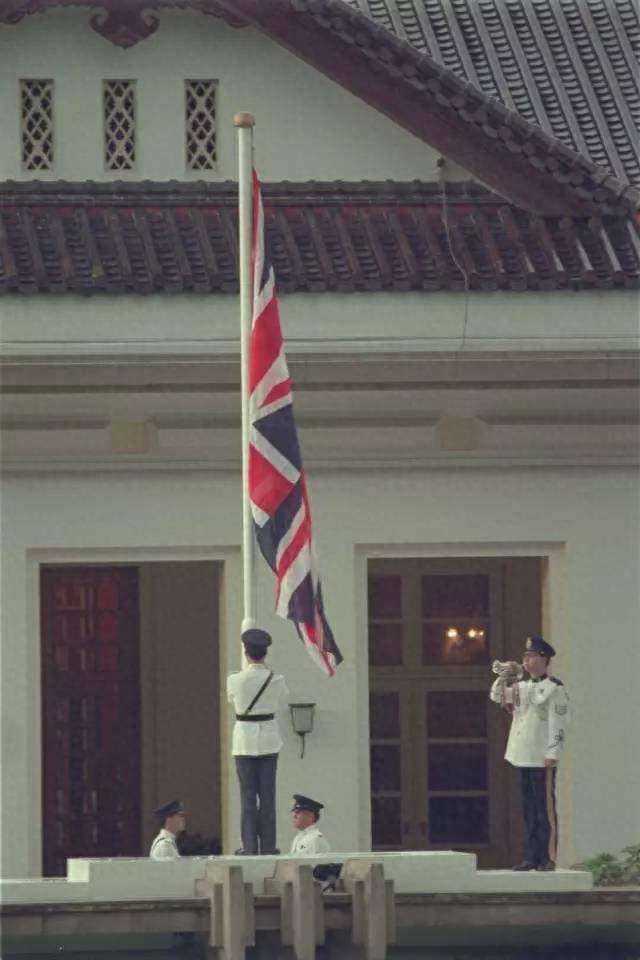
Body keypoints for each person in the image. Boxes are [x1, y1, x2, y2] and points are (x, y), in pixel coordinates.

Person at [490, 635, 570, 872]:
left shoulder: (554, 689)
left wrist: (553, 751)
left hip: (541, 756)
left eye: (532, 656)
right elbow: (497, 696)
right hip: (522, 753)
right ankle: (530, 856)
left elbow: (560, 723)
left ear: (544, 660)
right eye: (526, 657)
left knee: (544, 809)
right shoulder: (522, 687)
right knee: (527, 810)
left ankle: (547, 856)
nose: (527, 661)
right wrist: (503, 677)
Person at [227, 627, 288, 855]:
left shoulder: (235, 680)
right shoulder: (277, 679)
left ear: (246, 652)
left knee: (248, 797)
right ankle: (269, 846)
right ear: (265, 653)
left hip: (244, 740)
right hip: (269, 739)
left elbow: (230, 700)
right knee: (268, 796)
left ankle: (250, 847)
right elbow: (281, 698)